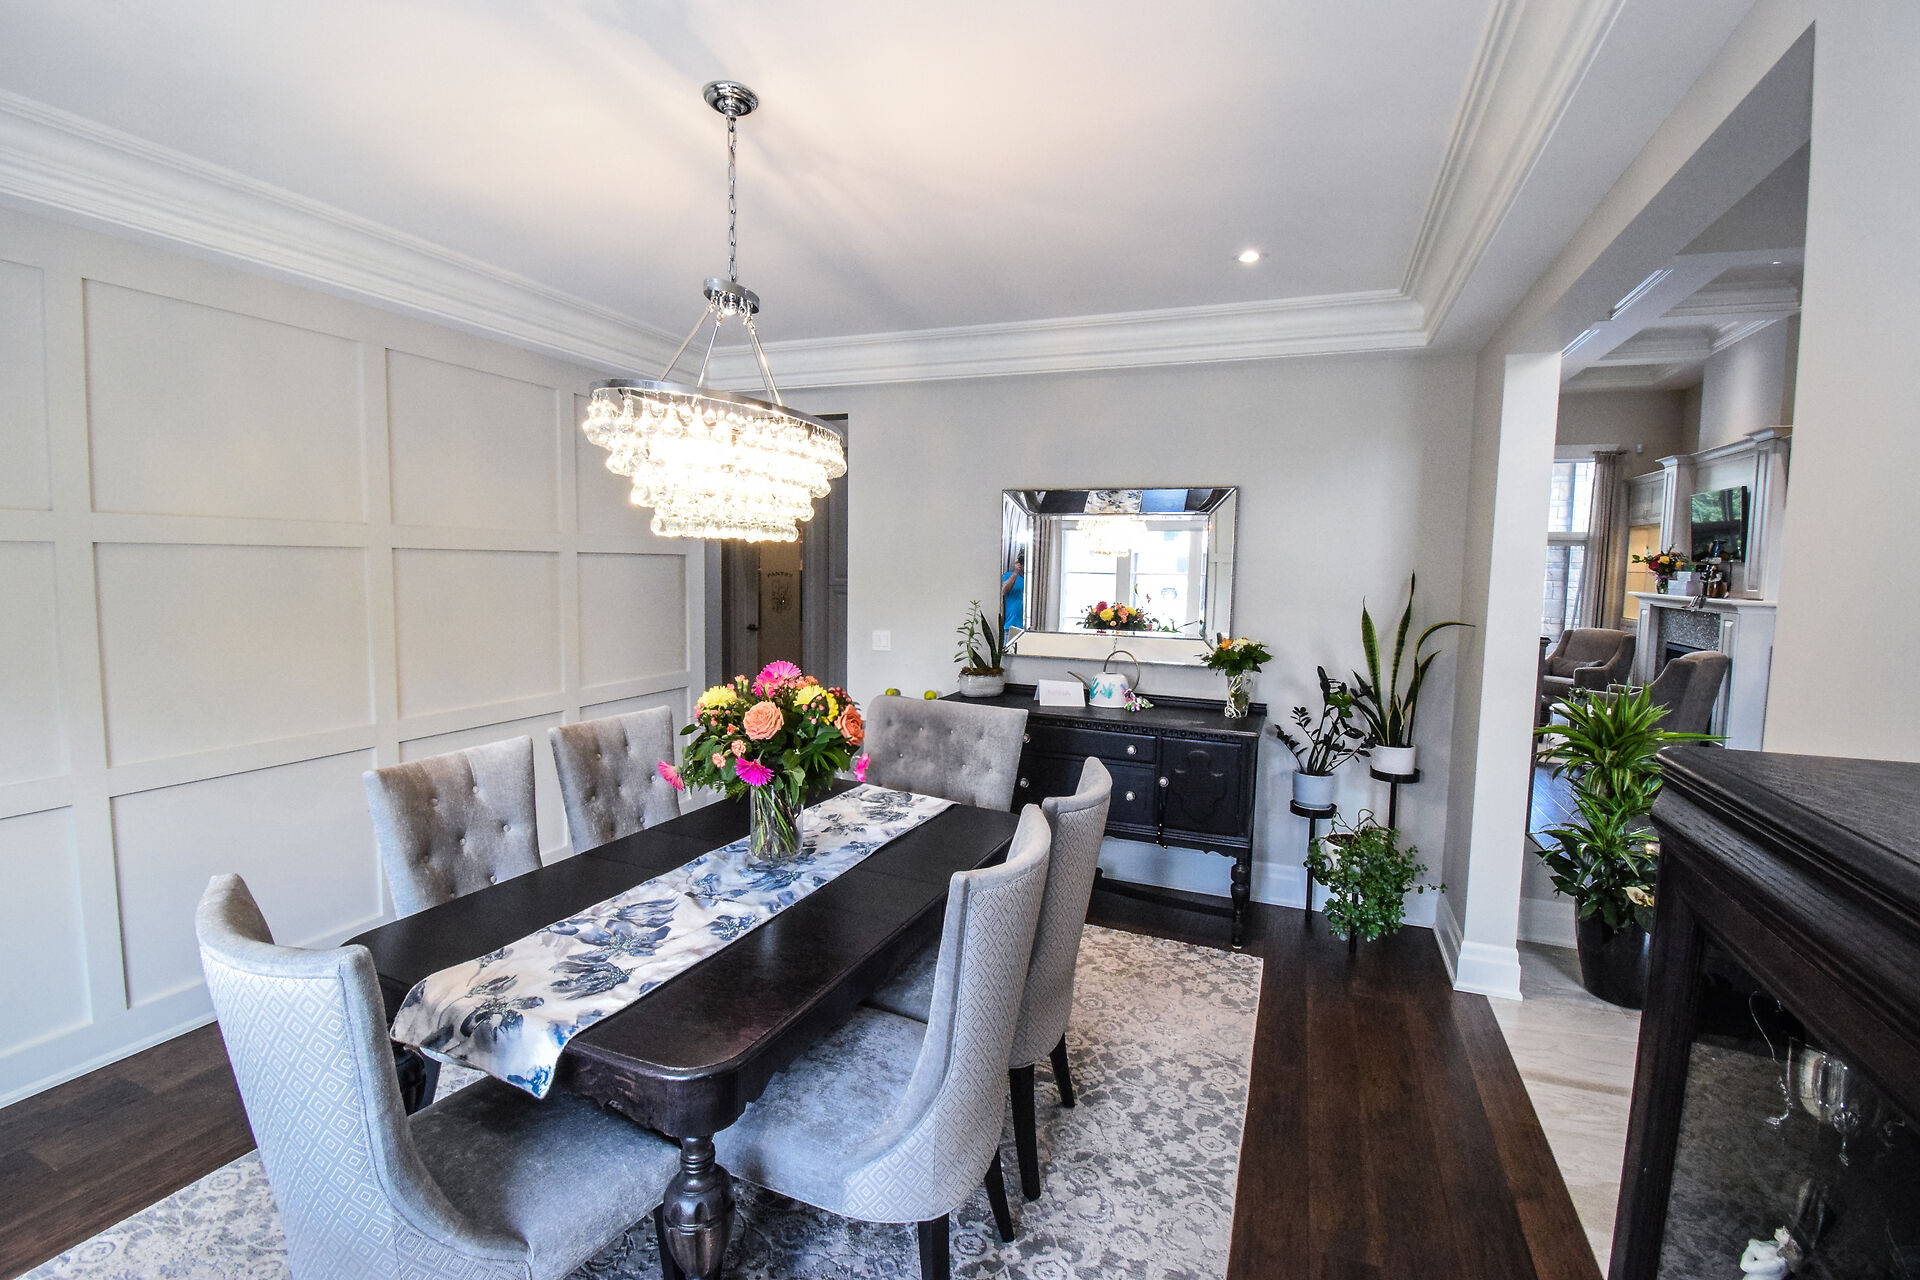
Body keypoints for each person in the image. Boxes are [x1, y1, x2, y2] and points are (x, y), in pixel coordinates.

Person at [1001, 552, 1026, 631]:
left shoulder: (1035, 579)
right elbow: (1004, 591)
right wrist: (1016, 572)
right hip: (1012, 625)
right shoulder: (1009, 576)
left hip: (1030, 627)